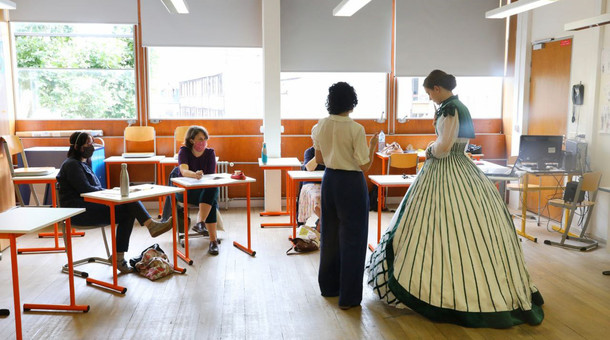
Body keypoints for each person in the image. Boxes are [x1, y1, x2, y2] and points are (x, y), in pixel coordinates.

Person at [367, 70, 544, 328]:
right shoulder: (458, 106)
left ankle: (445, 291)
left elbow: (444, 147)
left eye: (428, 93)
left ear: (438, 88)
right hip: (462, 169)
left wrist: (427, 149)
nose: (429, 98)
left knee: (444, 224)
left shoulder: (450, 109)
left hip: (447, 168)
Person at [57, 131, 173, 273]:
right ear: (78, 146)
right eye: (88, 143)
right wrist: (110, 192)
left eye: (92, 143)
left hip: (89, 207)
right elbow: (86, 190)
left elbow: (95, 189)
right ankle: (150, 226)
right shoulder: (71, 165)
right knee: (127, 207)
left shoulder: (83, 164)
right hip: (79, 212)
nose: (91, 146)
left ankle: (119, 257)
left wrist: (111, 191)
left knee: (127, 209)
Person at [312, 82, 379, 310]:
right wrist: (372, 146)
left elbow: (319, 159)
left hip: (329, 180)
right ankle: (348, 298)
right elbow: (364, 166)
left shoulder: (320, 125)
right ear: (351, 102)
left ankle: (329, 288)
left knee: (329, 234)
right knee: (353, 239)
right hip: (351, 183)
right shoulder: (355, 129)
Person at [174, 125, 220, 255]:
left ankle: (200, 223)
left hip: (204, 191)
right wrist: (195, 174)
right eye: (200, 138)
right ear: (192, 140)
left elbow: (210, 177)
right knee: (211, 199)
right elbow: (183, 170)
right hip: (185, 192)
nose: (203, 141)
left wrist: (203, 178)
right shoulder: (184, 151)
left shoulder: (210, 153)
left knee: (212, 190)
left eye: (205, 138)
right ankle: (213, 241)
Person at [297, 144, 325, 229]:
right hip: (311, 183)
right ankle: (324, 222)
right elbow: (309, 167)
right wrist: (320, 153)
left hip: (326, 182)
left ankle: (322, 223)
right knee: (317, 197)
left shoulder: (333, 150)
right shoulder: (310, 151)